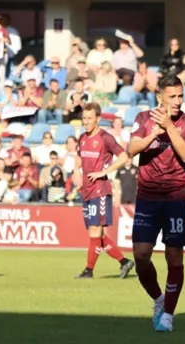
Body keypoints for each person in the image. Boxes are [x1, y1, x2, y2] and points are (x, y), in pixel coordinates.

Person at [126, 75, 185, 332]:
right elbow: (132, 148)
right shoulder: (143, 119)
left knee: (174, 258)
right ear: (160, 97)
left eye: (181, 96)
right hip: (147, 196)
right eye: (172, 96)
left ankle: (168, 314)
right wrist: (154, 134)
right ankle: (159, 299)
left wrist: (169, 126)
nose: (178, 101)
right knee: (141, 255)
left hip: (176, 197)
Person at [71, 102, 135, 279]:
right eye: (84, 118)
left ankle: (89, 270)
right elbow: (78, 157)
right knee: (95, 234)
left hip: (100, 190)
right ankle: (124, 262)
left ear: (98, 119)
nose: (86, 121)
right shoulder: (82, 138)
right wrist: (76, 173)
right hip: (87, 190)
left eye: (89, 118)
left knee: (95, 232)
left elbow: (123, 156)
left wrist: (104, 171)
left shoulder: (106, 138)